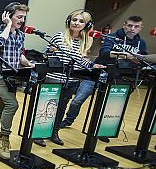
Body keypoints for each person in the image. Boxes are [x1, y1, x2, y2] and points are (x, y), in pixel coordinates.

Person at [60, 16, 146, 143]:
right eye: (130, 25)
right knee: (77, 100)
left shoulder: (141, 43)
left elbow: (143, 58)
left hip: (118, 78)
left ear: (140, 28)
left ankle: (102, 130)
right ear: (124, 25)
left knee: (110, 106)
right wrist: (125, 55)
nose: (132, 29)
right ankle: (68, 120)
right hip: (97, 73)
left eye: (136, 26)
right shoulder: (112, 37)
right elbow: (105, 52)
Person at [35, 10, 104, 147]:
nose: (76, 23)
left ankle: (54, 132)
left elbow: (80, 60)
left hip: (71, 80)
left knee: (61, 108)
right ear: (69, 21)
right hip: (54, 78)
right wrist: (50, 52)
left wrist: (92, 64)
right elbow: (46, 55)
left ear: (86, 25)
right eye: (74, 20)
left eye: (80, 21)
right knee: (48, 107)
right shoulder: (59, 37)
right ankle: (39, 133)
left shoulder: (85, 42)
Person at [0, 2, 35, 159]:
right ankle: (4, 139)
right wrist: (7, 26)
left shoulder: (20, 35)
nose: (21, 21)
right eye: (18, 17)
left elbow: (19, 54)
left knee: (1, 105)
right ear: (8, 16)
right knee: (12, 104)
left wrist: (28, 63)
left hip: (12, 78)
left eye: (23, 18)